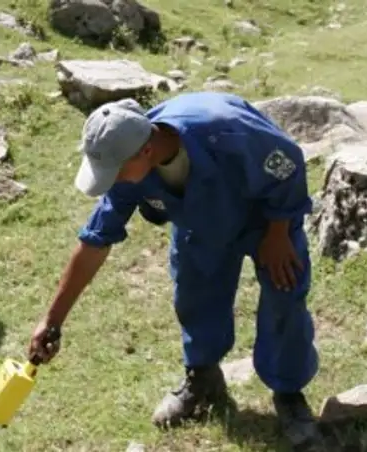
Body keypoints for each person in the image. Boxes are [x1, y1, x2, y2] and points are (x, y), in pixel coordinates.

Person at [27, 92, 323, 447]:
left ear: (146, 151)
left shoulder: (227, 132)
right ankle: (203, 378)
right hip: (199, 221)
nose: (113, 181)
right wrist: (52, 320)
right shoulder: (128, 169)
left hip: (266, 216)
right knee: (194, 294)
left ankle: (289, 394)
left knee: (284, 296)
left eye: (116, 173)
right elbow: (95, 242)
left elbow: (287, 164)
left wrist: (277, 233)